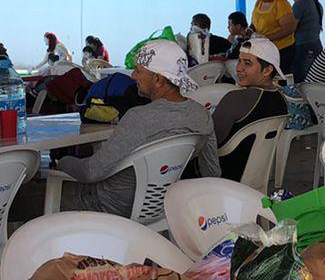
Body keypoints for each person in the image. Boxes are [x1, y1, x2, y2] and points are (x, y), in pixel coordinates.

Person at [56, 40, 220, 214]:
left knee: (34, 192)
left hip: (106, 206)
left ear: (158, 79)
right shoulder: (202, 115)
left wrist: (61, 163)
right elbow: (212, 173)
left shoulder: (139, 117)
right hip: (162, 207)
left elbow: (90, 172)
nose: (132, 76)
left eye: (138, 71)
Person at [211, 36, 289, 179]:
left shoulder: (236, 99)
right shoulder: (281, 100)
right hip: (255, 176)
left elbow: (210, 141)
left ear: (267, 70)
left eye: (247, 63)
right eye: (239, 61)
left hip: (224, 177)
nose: (239, 68)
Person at [250, 0, 296, 77]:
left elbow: (288, 30)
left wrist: (266, 38)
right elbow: (255, 22)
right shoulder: (259, 2)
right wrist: (249, 30)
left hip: (282, 50)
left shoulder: (281, 4)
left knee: (280, 78)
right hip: (265, 49)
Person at [287, 0, 324, 80]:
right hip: (316, 45)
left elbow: (291, 28)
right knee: (313, 78)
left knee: (302, 81)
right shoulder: (316, 3)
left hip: (303, 47)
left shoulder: (300, 4)